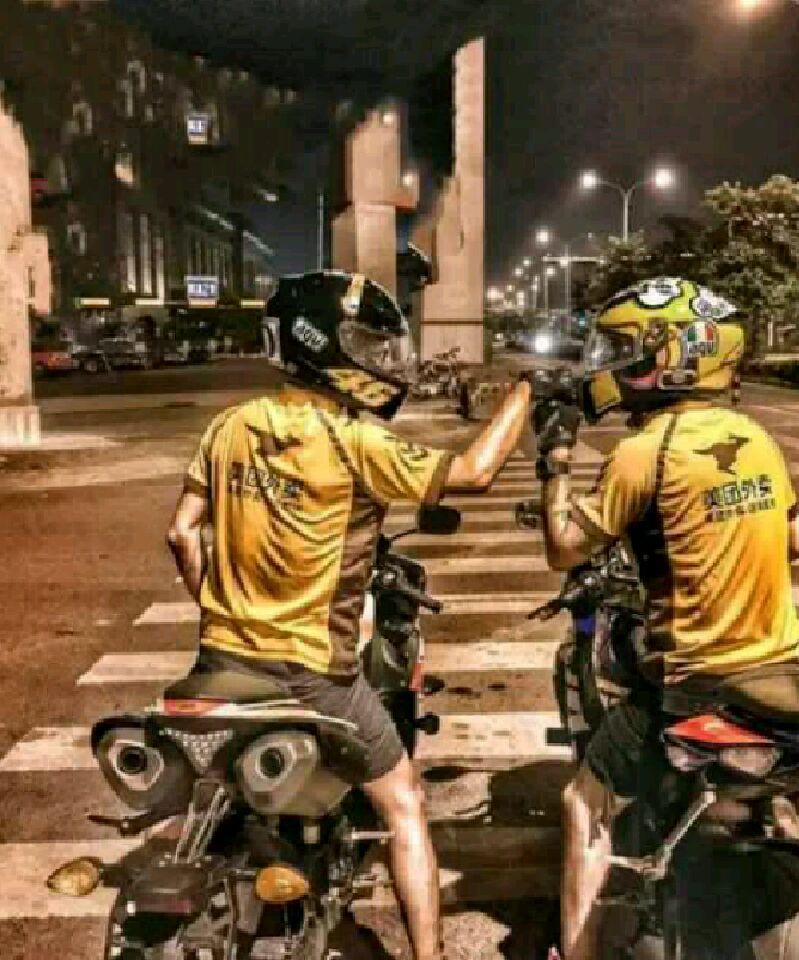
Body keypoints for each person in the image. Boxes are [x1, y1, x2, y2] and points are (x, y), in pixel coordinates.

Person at [166, 270, 531, 960]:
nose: (379, 361)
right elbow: (474, 471)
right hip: (312, 673)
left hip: (218, 661)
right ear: (322, 345)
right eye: (365, 345)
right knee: (405, 802)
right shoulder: (353, 442)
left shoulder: (229, 426)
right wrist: (524, 394)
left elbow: (182, 533)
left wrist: (219, 610)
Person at [530, 277, 799, 960]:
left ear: (675, 357)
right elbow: (796, 542)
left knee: (583, 801)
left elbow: (564, 547)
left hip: (692, 686)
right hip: (778, 672)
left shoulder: (644, 450)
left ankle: (577, 951)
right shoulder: (754, 436)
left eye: (627, 350)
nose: (614, 365)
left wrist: (555, 460)